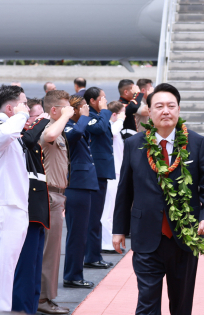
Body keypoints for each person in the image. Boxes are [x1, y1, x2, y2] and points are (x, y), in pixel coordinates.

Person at [112, 83, 204, 315]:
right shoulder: (134, 145)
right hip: (146, 236)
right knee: (147, 304)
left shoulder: (197, 143)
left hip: (185, 236)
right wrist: (119, 229)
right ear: (148, 112)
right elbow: (125, 191)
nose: (166, 111)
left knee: (181, 304)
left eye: (171, 106)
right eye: (159, 106)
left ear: (179, 110)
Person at [0, 85, 30, 311]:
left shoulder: (9, 127)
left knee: (7, 270)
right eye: (24, 103)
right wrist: (21, 115)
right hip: (5, 207)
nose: (28, 108)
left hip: (15, 206)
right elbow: (6, 133)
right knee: (0, 271)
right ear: (11, 108)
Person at [37, 91, 75, 314]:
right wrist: (64, 117)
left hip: (57, 195)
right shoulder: (48, 127)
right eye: (65, 108)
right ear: (54, 110)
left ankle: (45, 297)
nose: (69, 112)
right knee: (49, 252)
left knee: (52, 251)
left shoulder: (57, 128)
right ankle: (43, 299)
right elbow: (50, 135)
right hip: (50, 196)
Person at [62, 95, 97, 289]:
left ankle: (74, 274)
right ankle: (73, 275)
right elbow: (73, 136)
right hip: (76, 183)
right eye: (83, 107)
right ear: (74, 110)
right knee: (77, 233)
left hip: (83, 183)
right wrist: (82, 117)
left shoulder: (77, 125)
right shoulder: (67, 126)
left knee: (80, 232)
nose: (87, 110)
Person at [83, 87, 115, 269]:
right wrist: (104, 111)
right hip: (95, 171)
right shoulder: (92, 116)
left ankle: (93, 255)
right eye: (102, 98)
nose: (105, 100)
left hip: (100, 171)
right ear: (93, 100)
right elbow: (100, 128)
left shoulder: (98, 115)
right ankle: (91, 256)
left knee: (96, 216)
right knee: (93, 217)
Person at [100, 101, 126, 253]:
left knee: (112, 208)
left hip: (117, 171)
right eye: (122, 113)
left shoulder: (112, 127)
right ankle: (106, 243)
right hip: (112, 173)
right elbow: (114, 132)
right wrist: (121, 119)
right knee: (108, 210)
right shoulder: (110, 126)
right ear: (115, 114)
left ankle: (108, 241)